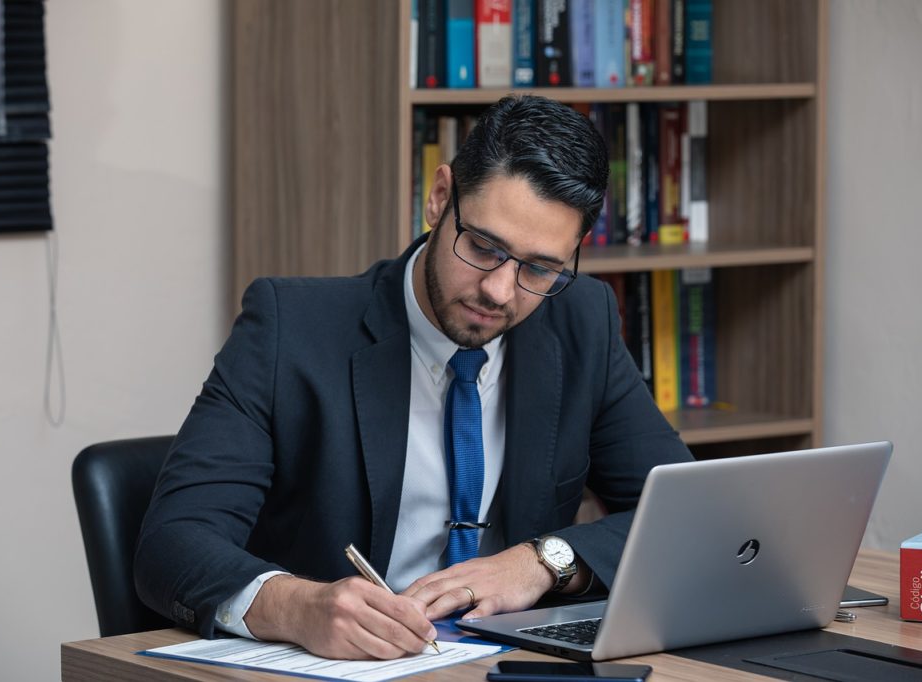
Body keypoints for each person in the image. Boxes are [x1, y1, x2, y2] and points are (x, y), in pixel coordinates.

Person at [134, 95, 693, 660]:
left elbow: (687, 516)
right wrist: (298, 607)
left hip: (506, 665)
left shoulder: (581, 322)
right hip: (340, 668)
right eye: (484, 248)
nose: (500, 291)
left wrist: (542, 562)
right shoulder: (290, 328)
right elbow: (172, 544)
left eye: (539, 268)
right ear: (440, 197)